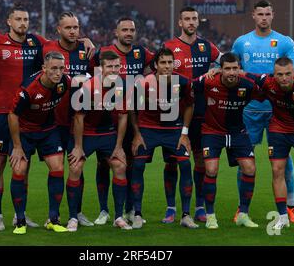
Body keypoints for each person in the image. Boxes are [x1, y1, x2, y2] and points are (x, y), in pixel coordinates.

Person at [0, 4, 95, 231]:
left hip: (30, 117)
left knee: (24, 166)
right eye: (18, 19)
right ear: (9, 21)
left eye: (26, 19)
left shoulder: (36, 42)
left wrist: (84, 40)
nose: (22, 23)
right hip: (2, 112)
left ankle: (22, 215)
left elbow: (63, 44)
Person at [231, 0, 294, 224]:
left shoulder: (284, 42)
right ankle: (242, 209)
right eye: (260, 14)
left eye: (267, 14)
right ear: (253, 16)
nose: (263, 17)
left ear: (272, 15)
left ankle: (291, 207)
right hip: (248, 111)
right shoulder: (241, 42)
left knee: (284, 162)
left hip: (279, 111)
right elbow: (229, 65)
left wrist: (283, 81)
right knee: (245, 159)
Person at [91, 17, 155, 225]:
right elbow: (87, 69)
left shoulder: (142, 53)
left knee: (132, 164)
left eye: (132, 30)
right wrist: (85, 41)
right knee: (103, 164)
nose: (128, 33)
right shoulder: (103, 53)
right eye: (124, 30)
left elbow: (161, 64)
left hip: (133, 116)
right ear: (116, 32)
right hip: (106, 117)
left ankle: (132, 210)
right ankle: (104, 210)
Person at [162, 6, 221, 223]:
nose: (191, 22)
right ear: (180, 22)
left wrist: (217, 69)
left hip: (201, 112)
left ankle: (199, 207)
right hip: (173, 111)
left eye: (194, 19)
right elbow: (158, 72)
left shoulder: (207, 46)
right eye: (186, 19)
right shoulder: (169, 47)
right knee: (172, 161)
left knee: (200, 161)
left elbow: (225, 61)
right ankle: (171, 208)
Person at [247, 57, 294, 231]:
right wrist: (218, 70)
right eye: (280, 74)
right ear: (275, 75)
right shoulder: (267, 82)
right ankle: (282, 217)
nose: (284, 78)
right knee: (276, 170)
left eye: (288, 73)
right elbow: (244, 74)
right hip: (278, 129)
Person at [130, 48, 197, 229]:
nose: (167, 66)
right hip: (148, 130)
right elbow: (132, 109)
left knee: (184, 164)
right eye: (163, 63)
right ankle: (137, 214)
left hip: (173, 130)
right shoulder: (143, 83)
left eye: (169, 62)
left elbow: (190, 106)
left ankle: (185, 215)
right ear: (156, 65)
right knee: (138, 165)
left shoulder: (183, 82)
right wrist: (136, 134)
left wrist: (184, 133)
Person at [66, 50, 131, 231]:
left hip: (107, 134)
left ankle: (118, 217)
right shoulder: (88, 87)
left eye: (117, 66)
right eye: (110, 66)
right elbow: (79, 118)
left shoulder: (123, 86)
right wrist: (78, 147)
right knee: (75, 166)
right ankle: (73, 217)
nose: (114, 70)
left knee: (120, 165)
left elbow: (123, 117)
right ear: (101, 68)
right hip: (85, 134)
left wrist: (118, 147)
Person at [194, 53, 260, 229]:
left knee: (250, 168)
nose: (231, 72)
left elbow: (266, 86)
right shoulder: (208, 81)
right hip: (212, 131)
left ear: (240, 69)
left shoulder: (248, 85)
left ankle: (243, 215)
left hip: (238, 131)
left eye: (235, 68)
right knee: (211, 169)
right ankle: (210, 216)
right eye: (227, 68)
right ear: (220, 69)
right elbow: (188, 88)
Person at [8, 52, 71, 235]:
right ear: (44, 69)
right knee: (19, 170)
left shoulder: (64, 82)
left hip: (48, 130)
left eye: (61, 68)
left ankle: (53, 219)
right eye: (53, 68)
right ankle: (20, 221)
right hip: (25, 132)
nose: (58, 73)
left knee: (58, 168)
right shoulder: (28, 90)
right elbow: (12, 115)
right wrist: (17, 147)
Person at [42, 11, 95, 228]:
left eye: (76, 27)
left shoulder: (87, 50)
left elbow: (98, 78)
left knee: (77, 166)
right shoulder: (46, 49)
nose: (73, 31)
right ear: (59, 29)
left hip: (78, 123)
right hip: (53, 122)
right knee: (56, 169)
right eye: (68, 28)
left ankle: (76, 212)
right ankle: (53, 215)